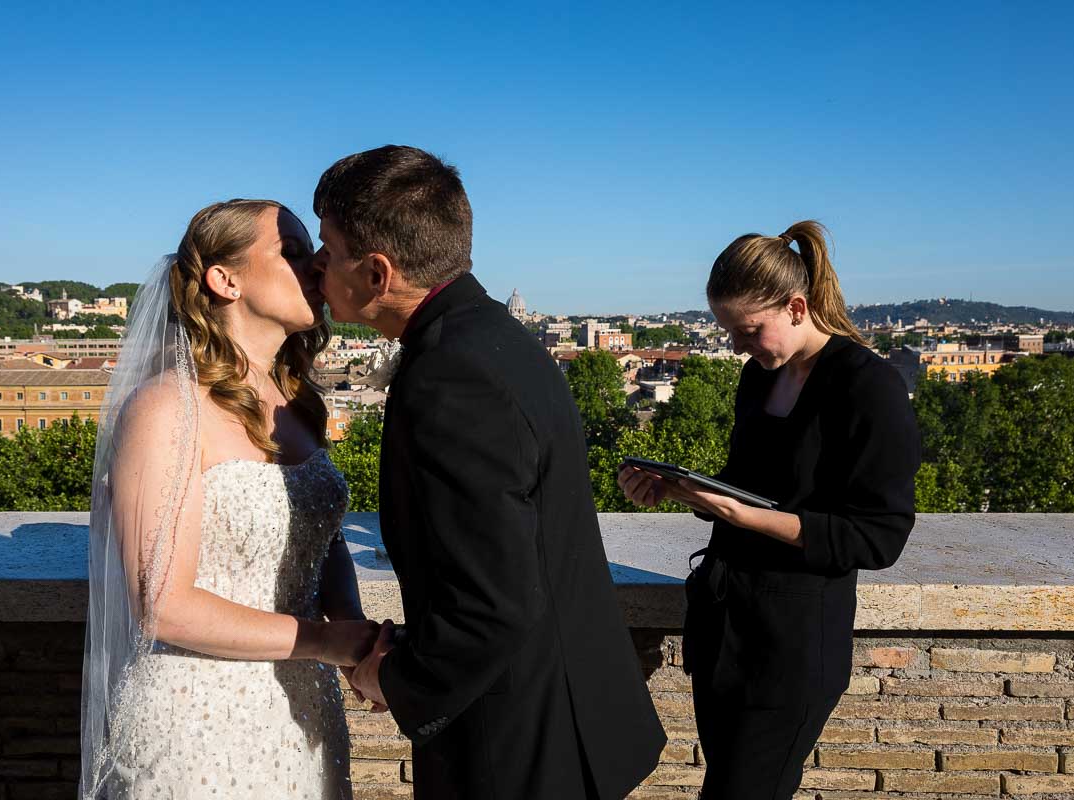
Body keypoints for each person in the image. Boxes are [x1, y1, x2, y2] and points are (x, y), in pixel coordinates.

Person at [310, 145, 666, 799]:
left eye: (327, 249)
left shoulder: (452, 374)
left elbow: (491, 602)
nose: (316, 266)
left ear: (377, 272)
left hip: (521, 746)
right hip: (557, 720)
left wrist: (391, 680)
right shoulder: (490, 337)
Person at [79, 199, 379, 799]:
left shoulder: (297, 403)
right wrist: (324, 641)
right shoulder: (166, 409)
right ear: (225, 279)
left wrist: (353, 630)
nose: (317, 267)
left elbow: (322, 535)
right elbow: (164, 605)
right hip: (197, 720)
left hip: (304, 709)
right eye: (291, 253)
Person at [619, 221, 920, 800]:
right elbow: (745, 489)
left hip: (794, 640)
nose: (737, 346)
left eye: (748, 330)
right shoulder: (759, 378)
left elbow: (878, 538)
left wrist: (738, 516)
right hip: (726, 626)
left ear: (797, 307)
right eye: (728, 331)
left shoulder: (868, 386)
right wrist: (680, 491)